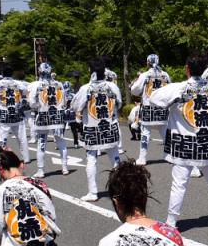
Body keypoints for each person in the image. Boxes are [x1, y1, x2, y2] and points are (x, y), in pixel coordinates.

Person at [150, 54, 208, 228]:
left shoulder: (179, 88)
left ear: (187, 69)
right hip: (206, 141)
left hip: (184, 143)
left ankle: (171, 221)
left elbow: (154, 98)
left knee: (179, 184)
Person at [72, 61, 123, 202]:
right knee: (115, 157)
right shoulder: (112, 86)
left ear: (91, 72)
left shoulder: (85, 88)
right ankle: (120, 189)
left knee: (91, 158)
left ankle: (93, 192)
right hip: (110, 126)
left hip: (92, 128)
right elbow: (119, 103)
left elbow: (75, 105)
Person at [28, 62, 71, 179]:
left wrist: (40, 106)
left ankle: (41, 170)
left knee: (42, 143)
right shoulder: (59, 84)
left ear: (40, 71)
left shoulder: (38, 85)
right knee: (61, 142)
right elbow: (65, 101)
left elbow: (32, 103)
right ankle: (65, 167)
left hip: (43, 117)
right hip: (57, 117)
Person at [130, 54, 171, 166]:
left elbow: (135, 90)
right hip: (162, 107)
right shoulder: (165, 75)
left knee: (145, 133)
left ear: (148, 62)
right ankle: (170, 155)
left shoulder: (146, 75)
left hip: (149, 107)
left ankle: (142, 158)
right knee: (165, 133)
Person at [0, 67, 31, 163]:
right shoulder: (18, 83)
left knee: (2, 138)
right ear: (12, 74)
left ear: (3, 74)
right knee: (22, 137)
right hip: (17, 113)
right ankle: (26, 158)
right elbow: (26, 91)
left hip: (3, 115)